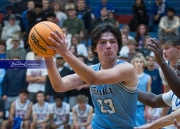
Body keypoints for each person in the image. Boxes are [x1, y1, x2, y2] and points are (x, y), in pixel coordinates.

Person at [44, 23, 138, 128]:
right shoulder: (91, 70)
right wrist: (47, 57)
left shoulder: (127, 69)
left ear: (119, 46)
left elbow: (94, 79)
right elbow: (59, 86)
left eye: (112, 42)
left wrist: (65, 52)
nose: (108, 46)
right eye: (102, 42)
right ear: (94, 48)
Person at [134, 58, 180, 129]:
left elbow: (177, 115)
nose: (176, 72)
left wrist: (150, 126)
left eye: (179, 69)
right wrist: (131, 89)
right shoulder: (173, 93)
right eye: (176, 69)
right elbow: (154, 100)